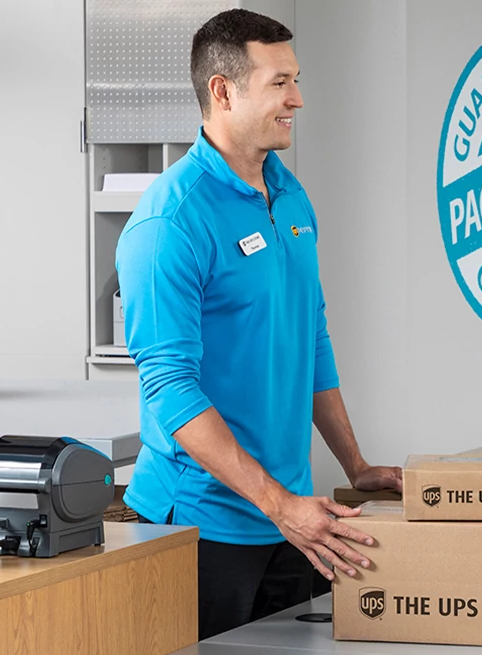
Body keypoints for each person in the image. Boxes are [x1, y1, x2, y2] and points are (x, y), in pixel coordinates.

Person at [116, 8, 402, 640]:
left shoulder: (290, 195)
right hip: (197, 526)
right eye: (279, 83)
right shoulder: (170, 224)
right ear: (223, 91)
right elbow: (171, 391)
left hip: (292, 517)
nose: (297, 99)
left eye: (295, 80)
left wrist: (352, 465)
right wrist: (281, 506)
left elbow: (311, 335)